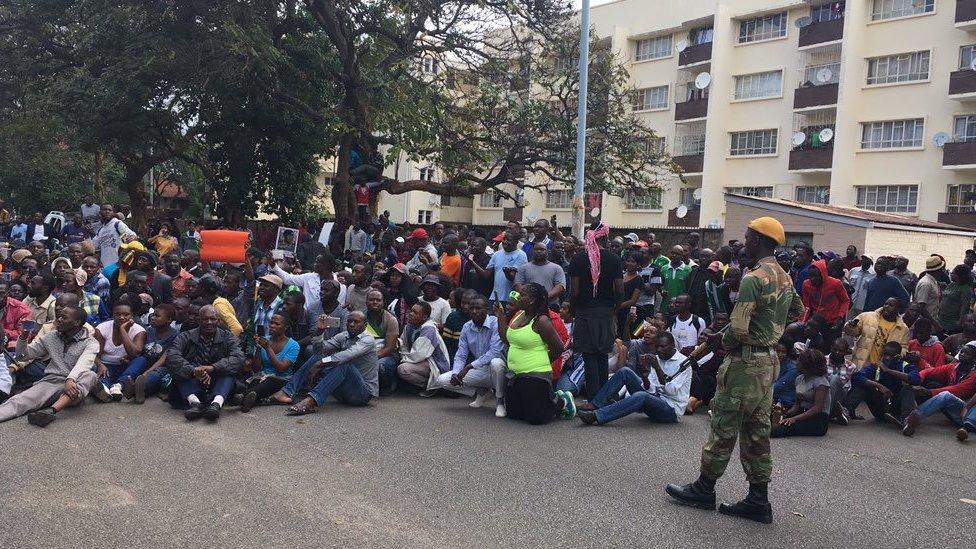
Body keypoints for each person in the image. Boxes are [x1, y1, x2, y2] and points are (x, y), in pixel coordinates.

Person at [667, 216, 802, 525]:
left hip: (745, 363)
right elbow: (797, 310)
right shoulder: (783, 276)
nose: (744, 242)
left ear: (760, 240)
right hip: (769, 362)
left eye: (748, 237)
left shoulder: (753, 277)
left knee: (724, 424)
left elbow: (739, 329)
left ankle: (704, 489)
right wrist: (771, 329)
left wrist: (719, 338)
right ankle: (758, 500)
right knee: (757, 432)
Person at [0, 306, 100, 426]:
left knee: (90, 375)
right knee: (20, 401)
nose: (58, 319)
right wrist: (23, 336)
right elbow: (23, 356)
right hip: (51, 382)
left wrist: (71, 378)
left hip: (74, 385)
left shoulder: (90, 343)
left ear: (77, 322)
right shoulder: (52, 336)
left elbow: (84, 363)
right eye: (59, 316)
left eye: (64, 317)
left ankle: (51, 410)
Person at [494, 283, 575, 423]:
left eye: (523, 294)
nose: (519, 296)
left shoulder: (541, 320)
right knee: (514, 415)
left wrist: (544, 361)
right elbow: (506, 340)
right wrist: (500, 316)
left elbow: (559, 347)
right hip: (515, 375)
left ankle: (562, 401)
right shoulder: (519, 315)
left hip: (535, 376)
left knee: (536, 419)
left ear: (532, 300)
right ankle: (546, 400)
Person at [577, 331, 690, 426]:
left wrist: (657, 367)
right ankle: (594, 405)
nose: (659, 350)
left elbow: (672, 391)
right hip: (654, 400)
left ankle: (596, 416)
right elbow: (651, 390)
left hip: (671, 409)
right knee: (625, 372)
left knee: (642, 396)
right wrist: (645, 378)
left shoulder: (683, 363)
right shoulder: (657, 358)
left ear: (672, 345)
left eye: (663, 346)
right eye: (657, 346)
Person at [276, 311, 378, 415]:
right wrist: (320, 332)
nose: (351, 324)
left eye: (356, 322)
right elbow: (319, 351)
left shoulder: (368, 340)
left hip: (362, 394)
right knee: (318, 357)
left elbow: (347, 355)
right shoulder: (343, 336)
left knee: (343, 364)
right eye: (349, 321)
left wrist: (320, 364)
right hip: (342, 393)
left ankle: (311, 402)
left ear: (365, 325)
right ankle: (287, 392)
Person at [568, 222, 623, 402]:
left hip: (585, 313)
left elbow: (574, 291)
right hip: (605, 313)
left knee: (588, 355)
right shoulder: (614, 259)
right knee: (602, 355)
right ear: (605, 237)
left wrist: (573, 310)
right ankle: (603, 396)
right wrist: (615, 309)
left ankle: (594, 398)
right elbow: (619, 290)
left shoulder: (578, 259)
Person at [166, 305, 245, 422]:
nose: (209, 322)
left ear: (218, 321)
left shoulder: (228, 337)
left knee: (229, 373)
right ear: (199, 320)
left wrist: (213, 368)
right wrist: (193, 370)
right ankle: (195, 404)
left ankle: (216, 405)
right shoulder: (184, 336)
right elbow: (172, 357)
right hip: (193, 380)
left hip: (217, 381)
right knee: (179, 372)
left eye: (213, 319)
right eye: (205, 319)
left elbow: (238, 358)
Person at [430, 294, 505, 406]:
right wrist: (456, 373)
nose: (474, 311)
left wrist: (468, 367)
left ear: (487, 309)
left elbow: (495, 352)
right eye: (472, 308)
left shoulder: (495, 323)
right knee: (443, 380)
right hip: (480, 369)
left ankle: (500, 402)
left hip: (499, 370)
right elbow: (461, 354)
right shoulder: (467, 327)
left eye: (478, 308)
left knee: (496, 363)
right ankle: (482, 392)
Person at [901, 341, 976, 440]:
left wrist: (929, 391)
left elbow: (958, 390)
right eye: (962, 352)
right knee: (923, 385)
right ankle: (907, 418)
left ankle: (912, 418)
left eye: (967, 353)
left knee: (945, 395)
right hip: (957, 410)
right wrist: (918, 377)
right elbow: (931, 371)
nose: (962, 355)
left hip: (967, 411)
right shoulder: (954, 367)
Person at [238, 313, 300, 412]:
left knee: (269, 381)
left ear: (285, 327)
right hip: (262, 376)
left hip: (281, 379)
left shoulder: (293, 345)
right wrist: (258, 349)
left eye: (277, 324)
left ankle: (242, 398)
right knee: (255, 382)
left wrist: (267, 348)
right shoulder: (265, 340)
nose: (272, 325)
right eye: (271, 323)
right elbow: (256, 369)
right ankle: (249, 399)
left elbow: (281, 368)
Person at [847, 341, 919, 425]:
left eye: (891, 356)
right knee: (863, 384)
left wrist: (889, 371)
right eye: (885, 354)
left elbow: (916, 379)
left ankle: (907, 421)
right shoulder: (876, 366)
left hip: (896, 406)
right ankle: (847, 412)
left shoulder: (905, 366)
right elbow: (856, 377)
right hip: (880, 406)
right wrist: (880, 386)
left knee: (908, 388)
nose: (887, 358)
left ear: (898, 357)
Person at [771, 348, 831, 438]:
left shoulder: (821, 382)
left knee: (782, 429)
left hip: (817, 419)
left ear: (807, 364)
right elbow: (797, 405)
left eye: (799, 359)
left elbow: (817, 408)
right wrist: (784, 413)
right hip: (801, 413)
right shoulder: (799, 379)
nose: (796, 362)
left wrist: (794, 419)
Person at [94, 303, 147, 401]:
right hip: (106, 365)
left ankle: (118, 386)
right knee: (101, 374)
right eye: (117, 314)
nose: (121, 317)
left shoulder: (139, 331)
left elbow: (134, 353)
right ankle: (105, 389)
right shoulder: (102, 328)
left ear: (132, 316)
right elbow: (95, 354)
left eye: (126, 314)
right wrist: (100, 365)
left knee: (141, 360)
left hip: (126, 367)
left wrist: (122, 329)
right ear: (112, 315)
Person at [396, 301, 451, 396]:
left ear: (424, 317)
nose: (411, 314)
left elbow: (419, 354)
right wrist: (403, 355)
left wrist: (402, 359)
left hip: (436, 363)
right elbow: (403, 344)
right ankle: (432, 385)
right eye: (411, 311)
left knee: (403, 369)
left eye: (415, 313)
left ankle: (435, 386)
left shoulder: (429, 329)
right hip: (420, 361)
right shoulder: (409, 326)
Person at [130, 303, 179, 403]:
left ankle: (138, 389)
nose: (153, 318)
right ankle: (132, 387)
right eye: (153, 315)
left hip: (162, 367)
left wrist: (148, 372)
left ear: (168, 320)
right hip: (146, 362)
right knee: (139, 360)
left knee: (156, 374)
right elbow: (140, 349)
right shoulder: (149, 330)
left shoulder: (175, 335)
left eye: (157, 316)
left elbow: (165, 357)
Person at [845, 297, 909, 368]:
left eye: (891, 305)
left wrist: (899, 354)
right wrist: (851, 327)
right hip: (861, 363)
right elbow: (852, 332)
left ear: (898, 309)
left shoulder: (903, 328)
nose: (886, 307)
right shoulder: (867, 316)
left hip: (882, 368)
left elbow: (904, 347)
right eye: (886, 304)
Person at [801, 259, 849, 350]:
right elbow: (806, 306)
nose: (812, 279)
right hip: (816, 323)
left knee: (830, 348)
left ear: (823, 274)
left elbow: (845, 300)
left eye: (816, 276)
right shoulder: (806, 284)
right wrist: (803, 321)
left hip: (832, 323)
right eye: (810, 276)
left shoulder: (835, 283)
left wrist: (840, 317)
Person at [470, 231, 527, 309]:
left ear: (516, 242)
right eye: (504, 239)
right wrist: (472, 262)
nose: (505, 242)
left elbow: (514, 278)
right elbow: (486, 275)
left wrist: (507, 273)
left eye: (508, 240)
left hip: (510, 300)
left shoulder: (521, 255)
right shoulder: (496, 254)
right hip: (494, 298)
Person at [361, 289, 400, 396]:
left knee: (381, 366)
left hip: (386, 355)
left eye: (378, 300)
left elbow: (390, 348)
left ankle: (389, 384)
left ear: (383, 303)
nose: (375, 302)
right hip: (363, 352)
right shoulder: (360, 317)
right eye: (371, 300)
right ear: (366, 302)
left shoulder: (391, 319)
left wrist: (371, 357)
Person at [514, 242, 566, 307]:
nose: (539, 251)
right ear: (533, 251)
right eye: (536, 249)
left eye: (542, 249)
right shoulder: (523, 268)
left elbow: (560, 286)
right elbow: (517, 284)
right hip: (528, 307)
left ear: (547, 252)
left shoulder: (557, 268)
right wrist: (529, 298)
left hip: (550, 306)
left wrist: (543, 297)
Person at [938, 265, 974, 334]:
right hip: (941, 319)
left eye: (953, 273)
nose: (951, 274)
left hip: (952, 323)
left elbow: (965, 307)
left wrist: (959, 323)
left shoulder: (966, 289)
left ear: (959, 276)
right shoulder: (952, 285)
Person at [660, 245, 691, 316]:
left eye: (677, 254)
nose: (674, 255)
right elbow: (660, 285)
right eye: (672, 253)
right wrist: (661, 290)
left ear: (682, 255)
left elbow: (689, 288)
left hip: (681, 308)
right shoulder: (664, 268)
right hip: (666, 305)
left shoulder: (688, 270)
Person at [914, 255, 945, 320]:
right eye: (942, 268)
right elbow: (921, 307)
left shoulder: (933, 281)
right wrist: (934, 323)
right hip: (925, 323)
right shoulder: (926, 284)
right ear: (938, 270)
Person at [772, 342, 798, 408]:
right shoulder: (771, 363)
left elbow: (778, 386)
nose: (780, 354)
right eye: (777, 351)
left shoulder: (792, 368)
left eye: (783, 352)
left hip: (784, 401)